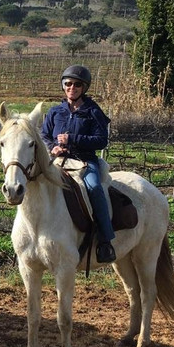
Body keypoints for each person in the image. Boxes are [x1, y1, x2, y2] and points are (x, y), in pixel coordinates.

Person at [39, 64, 116, 263]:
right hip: (59, 161)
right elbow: (44, 136)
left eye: (77, 84)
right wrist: (52, 147)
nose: (72, 87)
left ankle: (105, 240)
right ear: (63, 85)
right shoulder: (55, 112)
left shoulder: (93, 111)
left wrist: (73, 139)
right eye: (68, 83)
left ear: (84, 87)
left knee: (94, 187)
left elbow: (101, 140)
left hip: (84, 161)